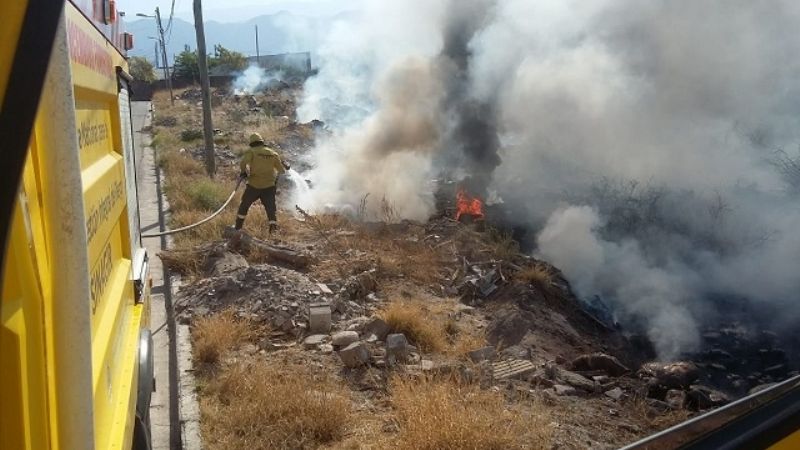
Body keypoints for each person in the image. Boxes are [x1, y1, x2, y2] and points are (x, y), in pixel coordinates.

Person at [235, 132, 289, 234]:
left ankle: (238, 228)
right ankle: (273, 230)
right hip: (269, 186)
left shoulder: (251, 152)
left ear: (252, 143)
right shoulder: (273, 153)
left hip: (254, 185)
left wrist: (243, 172)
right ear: (261, 142)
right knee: (271, 208)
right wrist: (275, 181)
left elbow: (243, 163)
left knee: (244, 205)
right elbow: (282, 171)